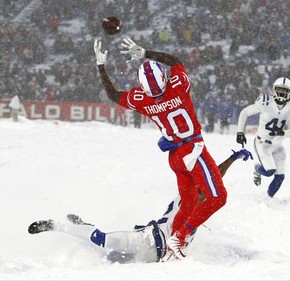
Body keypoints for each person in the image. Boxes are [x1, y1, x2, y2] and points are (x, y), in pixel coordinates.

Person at [93, 38, 228, 260]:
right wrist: (145, 52)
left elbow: (113, 94)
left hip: (175, 156)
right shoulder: (177, 86)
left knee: (189, 203)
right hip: (192, 150)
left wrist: (101, 67)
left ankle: (170, 251)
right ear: (164, 78)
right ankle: (180, 237)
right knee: (218, 197)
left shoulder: (143, 99)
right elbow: (174, 60)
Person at [28, 149, 253, 264]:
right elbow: (213, 179)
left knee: (111, 258)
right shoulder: (192, 196)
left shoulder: (197, 202)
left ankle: (85, 226)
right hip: (147, 239)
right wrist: (231, 160)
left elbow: (213, 180)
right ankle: (55, 225)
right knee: (105, 241)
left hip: (153, 256)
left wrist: (232, 159)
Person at [236, 77, 290, 198]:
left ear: (289, 92)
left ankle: (268, 198)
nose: (282, 92)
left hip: (278, 145)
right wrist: (240, 132)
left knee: (280, 176)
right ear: (275, 89)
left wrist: (283, 133)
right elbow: (245, 112)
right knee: (269, 171)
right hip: (262, 143)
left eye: (285, 90)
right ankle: (257, 169)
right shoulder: (265, 102)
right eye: (280, 89)